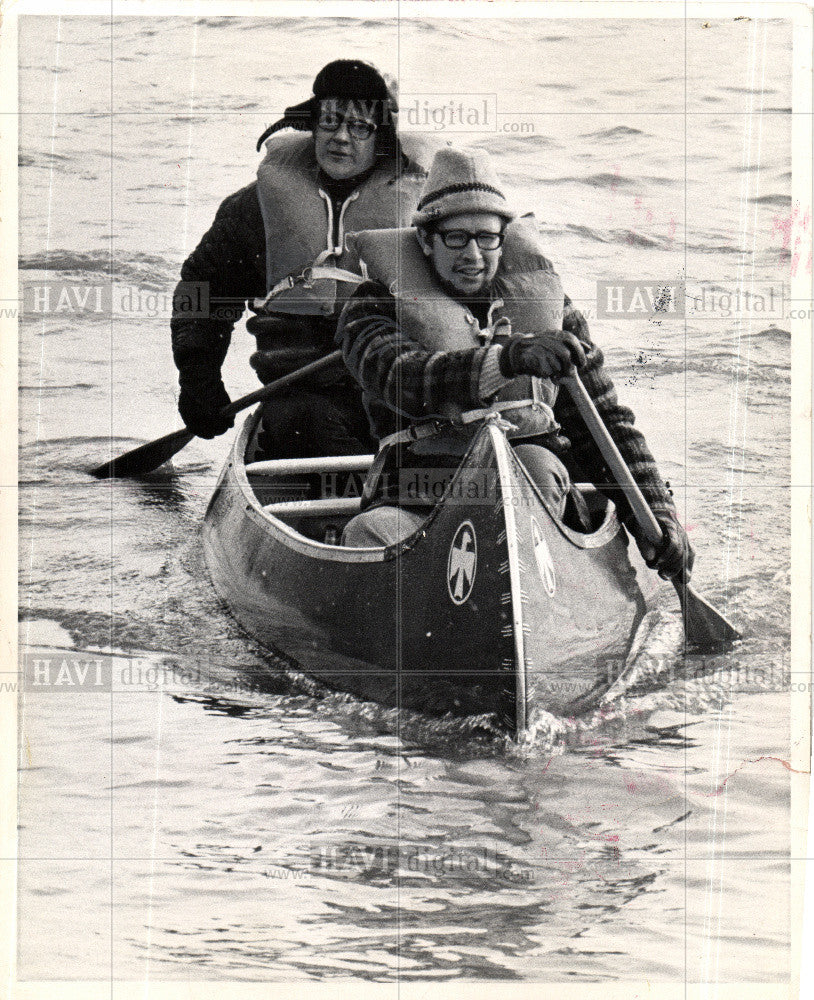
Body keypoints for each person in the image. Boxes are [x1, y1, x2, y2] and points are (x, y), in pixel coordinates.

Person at [336, 147, 694, 580]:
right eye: (456, 237)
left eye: (487, 238)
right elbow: (402, 377)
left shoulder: (554, 313)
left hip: (532, 498)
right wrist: (506, 360)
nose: (473, 254)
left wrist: (658, 514)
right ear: (427, 241)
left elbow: (606, 422)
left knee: (540, 466)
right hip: (417, 494)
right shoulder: (372, 305)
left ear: (502, 241)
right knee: (368, 531)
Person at [170, 60, 435, 459]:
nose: (341, 138)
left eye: (359, 127)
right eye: (330, 122)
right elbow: (202, 289)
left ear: (381, 137)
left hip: (398, 393)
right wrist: (198, 380)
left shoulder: (427, 208)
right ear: (312, 125)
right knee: (308, 420)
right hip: (299, 395)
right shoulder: (255, 208)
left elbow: (483, 277)